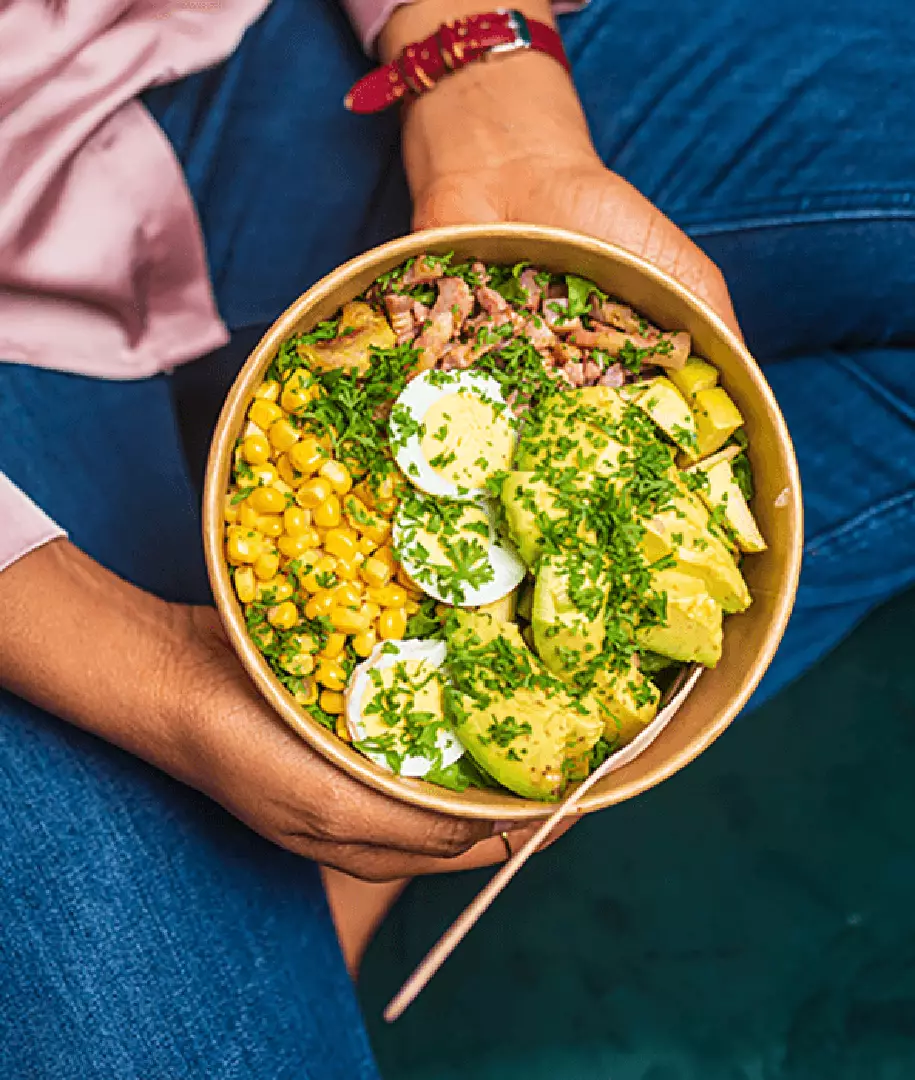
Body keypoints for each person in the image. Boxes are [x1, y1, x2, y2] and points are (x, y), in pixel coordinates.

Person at [1, 0, 912, 1075]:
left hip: (241, 50)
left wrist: (476, 71)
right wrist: (158, 677)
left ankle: (379, 833)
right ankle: (366, 832)